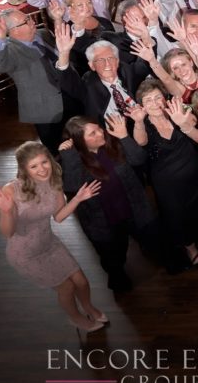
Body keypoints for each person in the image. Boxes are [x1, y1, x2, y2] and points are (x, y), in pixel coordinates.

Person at [0, 141, 106, 332]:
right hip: (25, 254)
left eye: (44, 162)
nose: (42, 169)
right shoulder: (11, 191)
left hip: (49, 244)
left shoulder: (54, 181)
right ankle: (76, 319)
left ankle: (88, 307)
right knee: (67, 288)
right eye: (33, 166)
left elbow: (58, 217)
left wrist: (77, 199)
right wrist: (6, 212)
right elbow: (8, 233)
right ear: (24, 169)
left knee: (81, 281)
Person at [59, 115, 161, 293]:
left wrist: (124, 137)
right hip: (103, 222)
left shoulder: (114, 142)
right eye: (93, 133)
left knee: (154, 242)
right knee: (113, 259)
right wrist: (69, 156)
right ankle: (120, 284)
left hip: (134, 210)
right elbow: (73, 186)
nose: (101, 133)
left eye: (99, 128)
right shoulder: (72, 159)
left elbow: (139, 159)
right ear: (78, 141)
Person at [133, 80, 198, 272]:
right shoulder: (143, 125)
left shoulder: (177, 113)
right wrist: (139, 121)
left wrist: (183, 120)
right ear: (142, 106)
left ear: (165, 98)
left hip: (194, 174)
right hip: (168, 185)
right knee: (178, 216)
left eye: (157, 97)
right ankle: (191, 249)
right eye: (148, 100)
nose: (154, 103)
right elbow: (140, 142)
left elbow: (194, 128)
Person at [0, 8, 64, 153]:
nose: (32, 21)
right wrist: (0, 39)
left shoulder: (43, 33)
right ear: (14, 30)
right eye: (26, 21)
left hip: (69, 96)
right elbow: (0, 63)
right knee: (56, 149)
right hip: (46, 109)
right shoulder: (10, 51)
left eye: (28, 17)